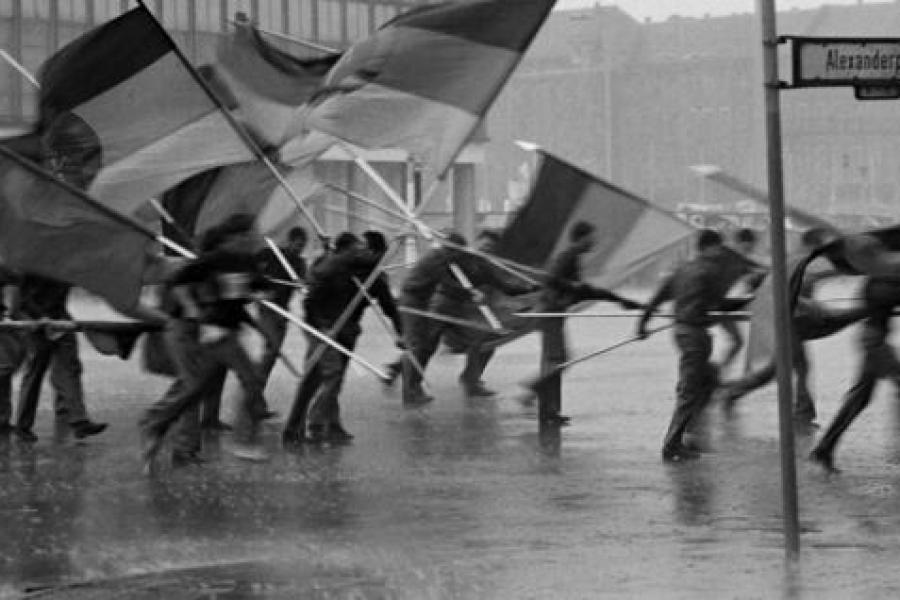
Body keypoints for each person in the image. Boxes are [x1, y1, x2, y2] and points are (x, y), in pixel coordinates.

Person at [139, 214, 273, 469]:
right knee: (218, 383)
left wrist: (261, 293)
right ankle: (190, 443)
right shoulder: (211, 262)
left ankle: (159, 424)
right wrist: (192, 308)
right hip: (207, 332)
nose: (255, 239)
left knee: (196, 388)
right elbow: (178, 284)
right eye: (249, 235)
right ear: (236, 238)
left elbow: (244, 298)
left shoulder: (244, 262)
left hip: (219, 332)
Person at [714, 227, 868, 425]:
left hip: (794, 323)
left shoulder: (801, 262)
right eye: (823, 244)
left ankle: (735, 394)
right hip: (789, 324)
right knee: (792, 368)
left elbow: (823, 274)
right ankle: (799, 413)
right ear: (814, 244)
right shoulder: (803, 262)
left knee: (781, 369)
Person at [636, 229, 750, 462]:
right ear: (710, 247)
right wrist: (751, 301)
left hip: (682, 332)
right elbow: (722, 305)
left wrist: (642, 325)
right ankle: (672, 445)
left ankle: (690, 434)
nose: (720, 253)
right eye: (717, 248)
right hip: (695, 336)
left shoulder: (681, 270)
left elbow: (656, 299)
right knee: (689, 391)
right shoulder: (709, 272)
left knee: (709, 382)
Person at [282, 231, 403, 445]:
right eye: (358, 249)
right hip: (323, 329)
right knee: (329, 376)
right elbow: (311, 300)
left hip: (345, 330)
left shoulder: (370, 276)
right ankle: (314, 425)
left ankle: (321, 425)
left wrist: (401, 333)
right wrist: (321, 327)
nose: (362, 254)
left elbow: (390, 307)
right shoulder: (333, 266)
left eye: (365, 250)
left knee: (326, 379)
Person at [398, 230, 537, 402]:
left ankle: (470, 381)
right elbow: (444, 279)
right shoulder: (456, 257)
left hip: (462, 308)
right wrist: (469, 291)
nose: (486, 249)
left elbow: (505, 286)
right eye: (484, 245)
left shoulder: (484, 266)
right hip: (442, 305)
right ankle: (405, 379)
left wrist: (531, 288)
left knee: (481, 339)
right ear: (477, 243)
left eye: (491, 248)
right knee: (425, 345)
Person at [536, 221, 643, 425]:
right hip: (550, 313)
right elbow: (552, 279)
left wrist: (621, 301)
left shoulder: (573, 259)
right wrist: (574, 287)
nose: (594, 241)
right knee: (556, 360)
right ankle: (537, 394)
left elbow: (584, 291)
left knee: (556, 360)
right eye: (591, 237)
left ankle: (549, 409)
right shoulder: (567, 257)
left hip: (555, 313)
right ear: (581, 237)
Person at [809, 268, 900, 473]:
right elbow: (884, 295)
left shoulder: (882, 275)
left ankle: (825, 447)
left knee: (859, 398)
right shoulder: (883, 279)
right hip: (875, 342)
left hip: (875, 340)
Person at [12, 275, 108, 443]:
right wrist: (40, 319)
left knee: (70, 366)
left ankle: (79, 421)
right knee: (35, 371)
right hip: (33, 319)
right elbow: (22, 300)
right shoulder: (34, 263)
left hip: (59, 316)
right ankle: (22, 426)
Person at [717, 228, 767, 372]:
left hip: (730, 303)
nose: (749, 250)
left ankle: (721, 371)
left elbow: (761, 269)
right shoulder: (728, 256)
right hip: (720, 304)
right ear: (739, 243)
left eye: (751, 247)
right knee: (738, 341)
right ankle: (719, 372)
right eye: (747, 246)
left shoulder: (743, 260)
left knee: (738, 342)